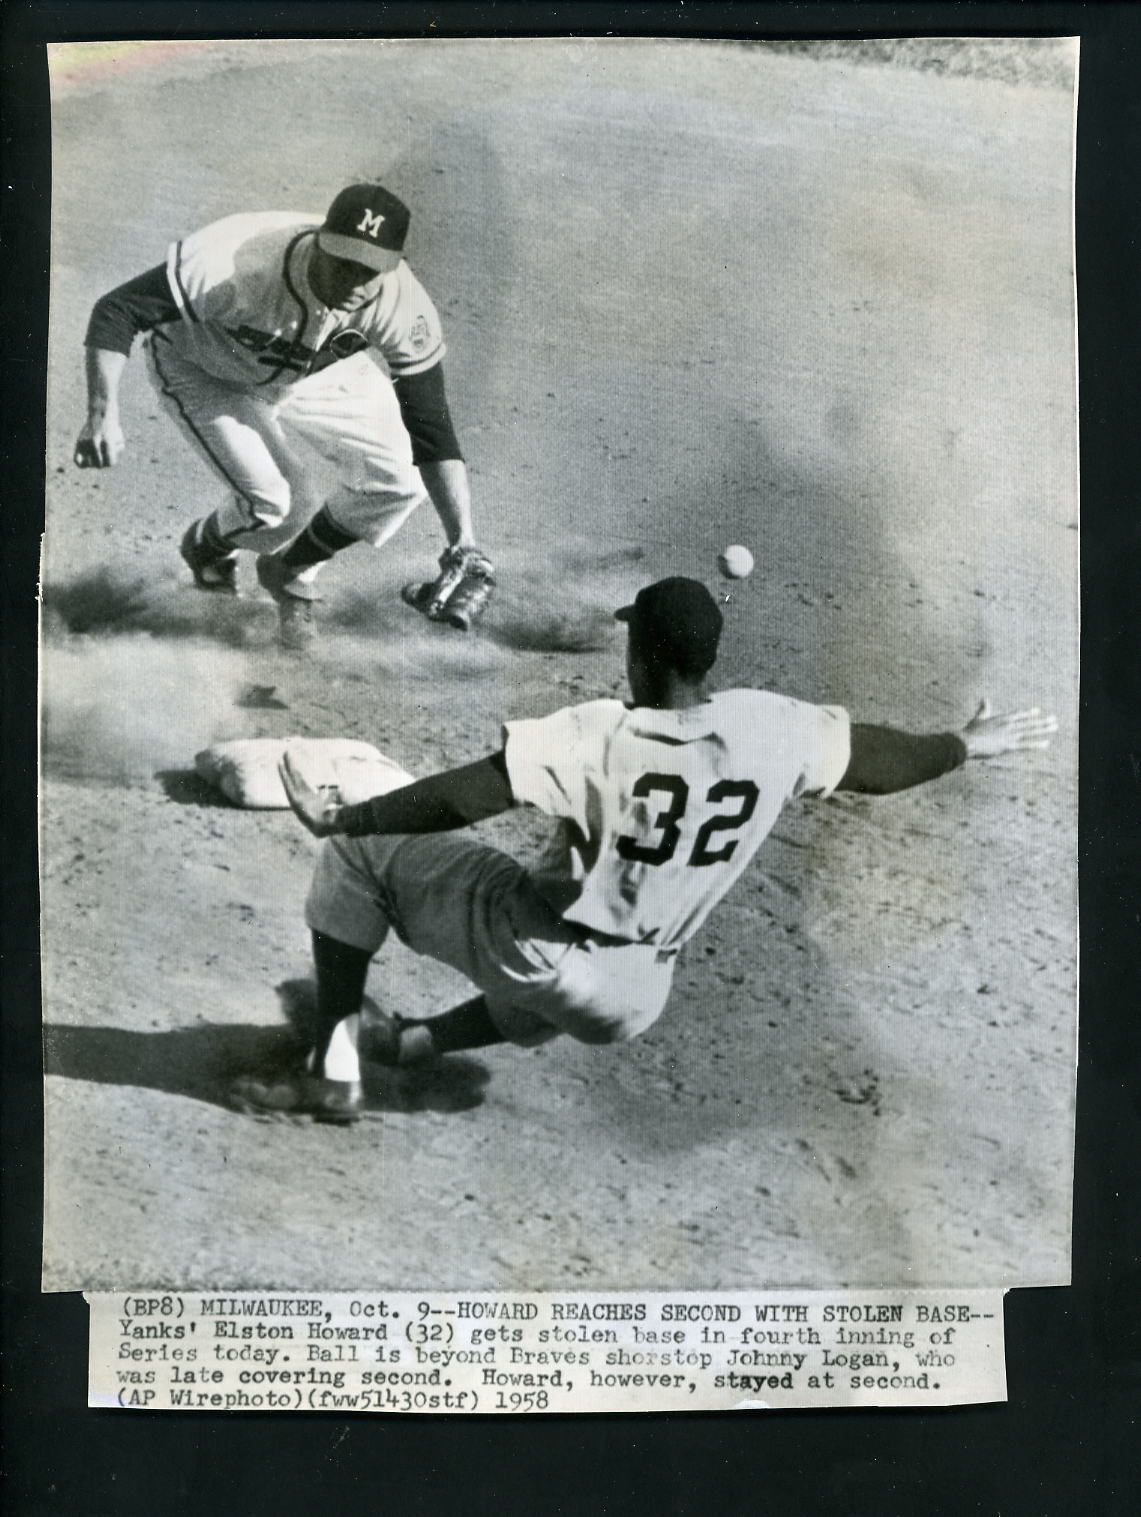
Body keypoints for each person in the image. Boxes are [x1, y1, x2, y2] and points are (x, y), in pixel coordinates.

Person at [230, 576, 1058, 1122]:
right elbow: (881, 762)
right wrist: (963, 743)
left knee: (362, 863)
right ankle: (414, 1044)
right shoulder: (772, 726)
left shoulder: (603, 732)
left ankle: (330, 1068)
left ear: (641, 652)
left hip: (540, 954)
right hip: (635, 995)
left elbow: (464, 795)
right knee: (561, 966)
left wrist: (347, 817)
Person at [74, 182, 489, 648]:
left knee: (399, 480)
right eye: (342, 261)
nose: (352, 280)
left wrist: (463, 540)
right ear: (318, 241)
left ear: (394, 265)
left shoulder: (402, 304)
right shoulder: (231, 264)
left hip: (312, 373)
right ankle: (208, 548)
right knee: (278, 505)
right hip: (203, 368)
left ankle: (291, 571)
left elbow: (431, 428)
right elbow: (117, 311)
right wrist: (101, 413)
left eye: (369, 269)